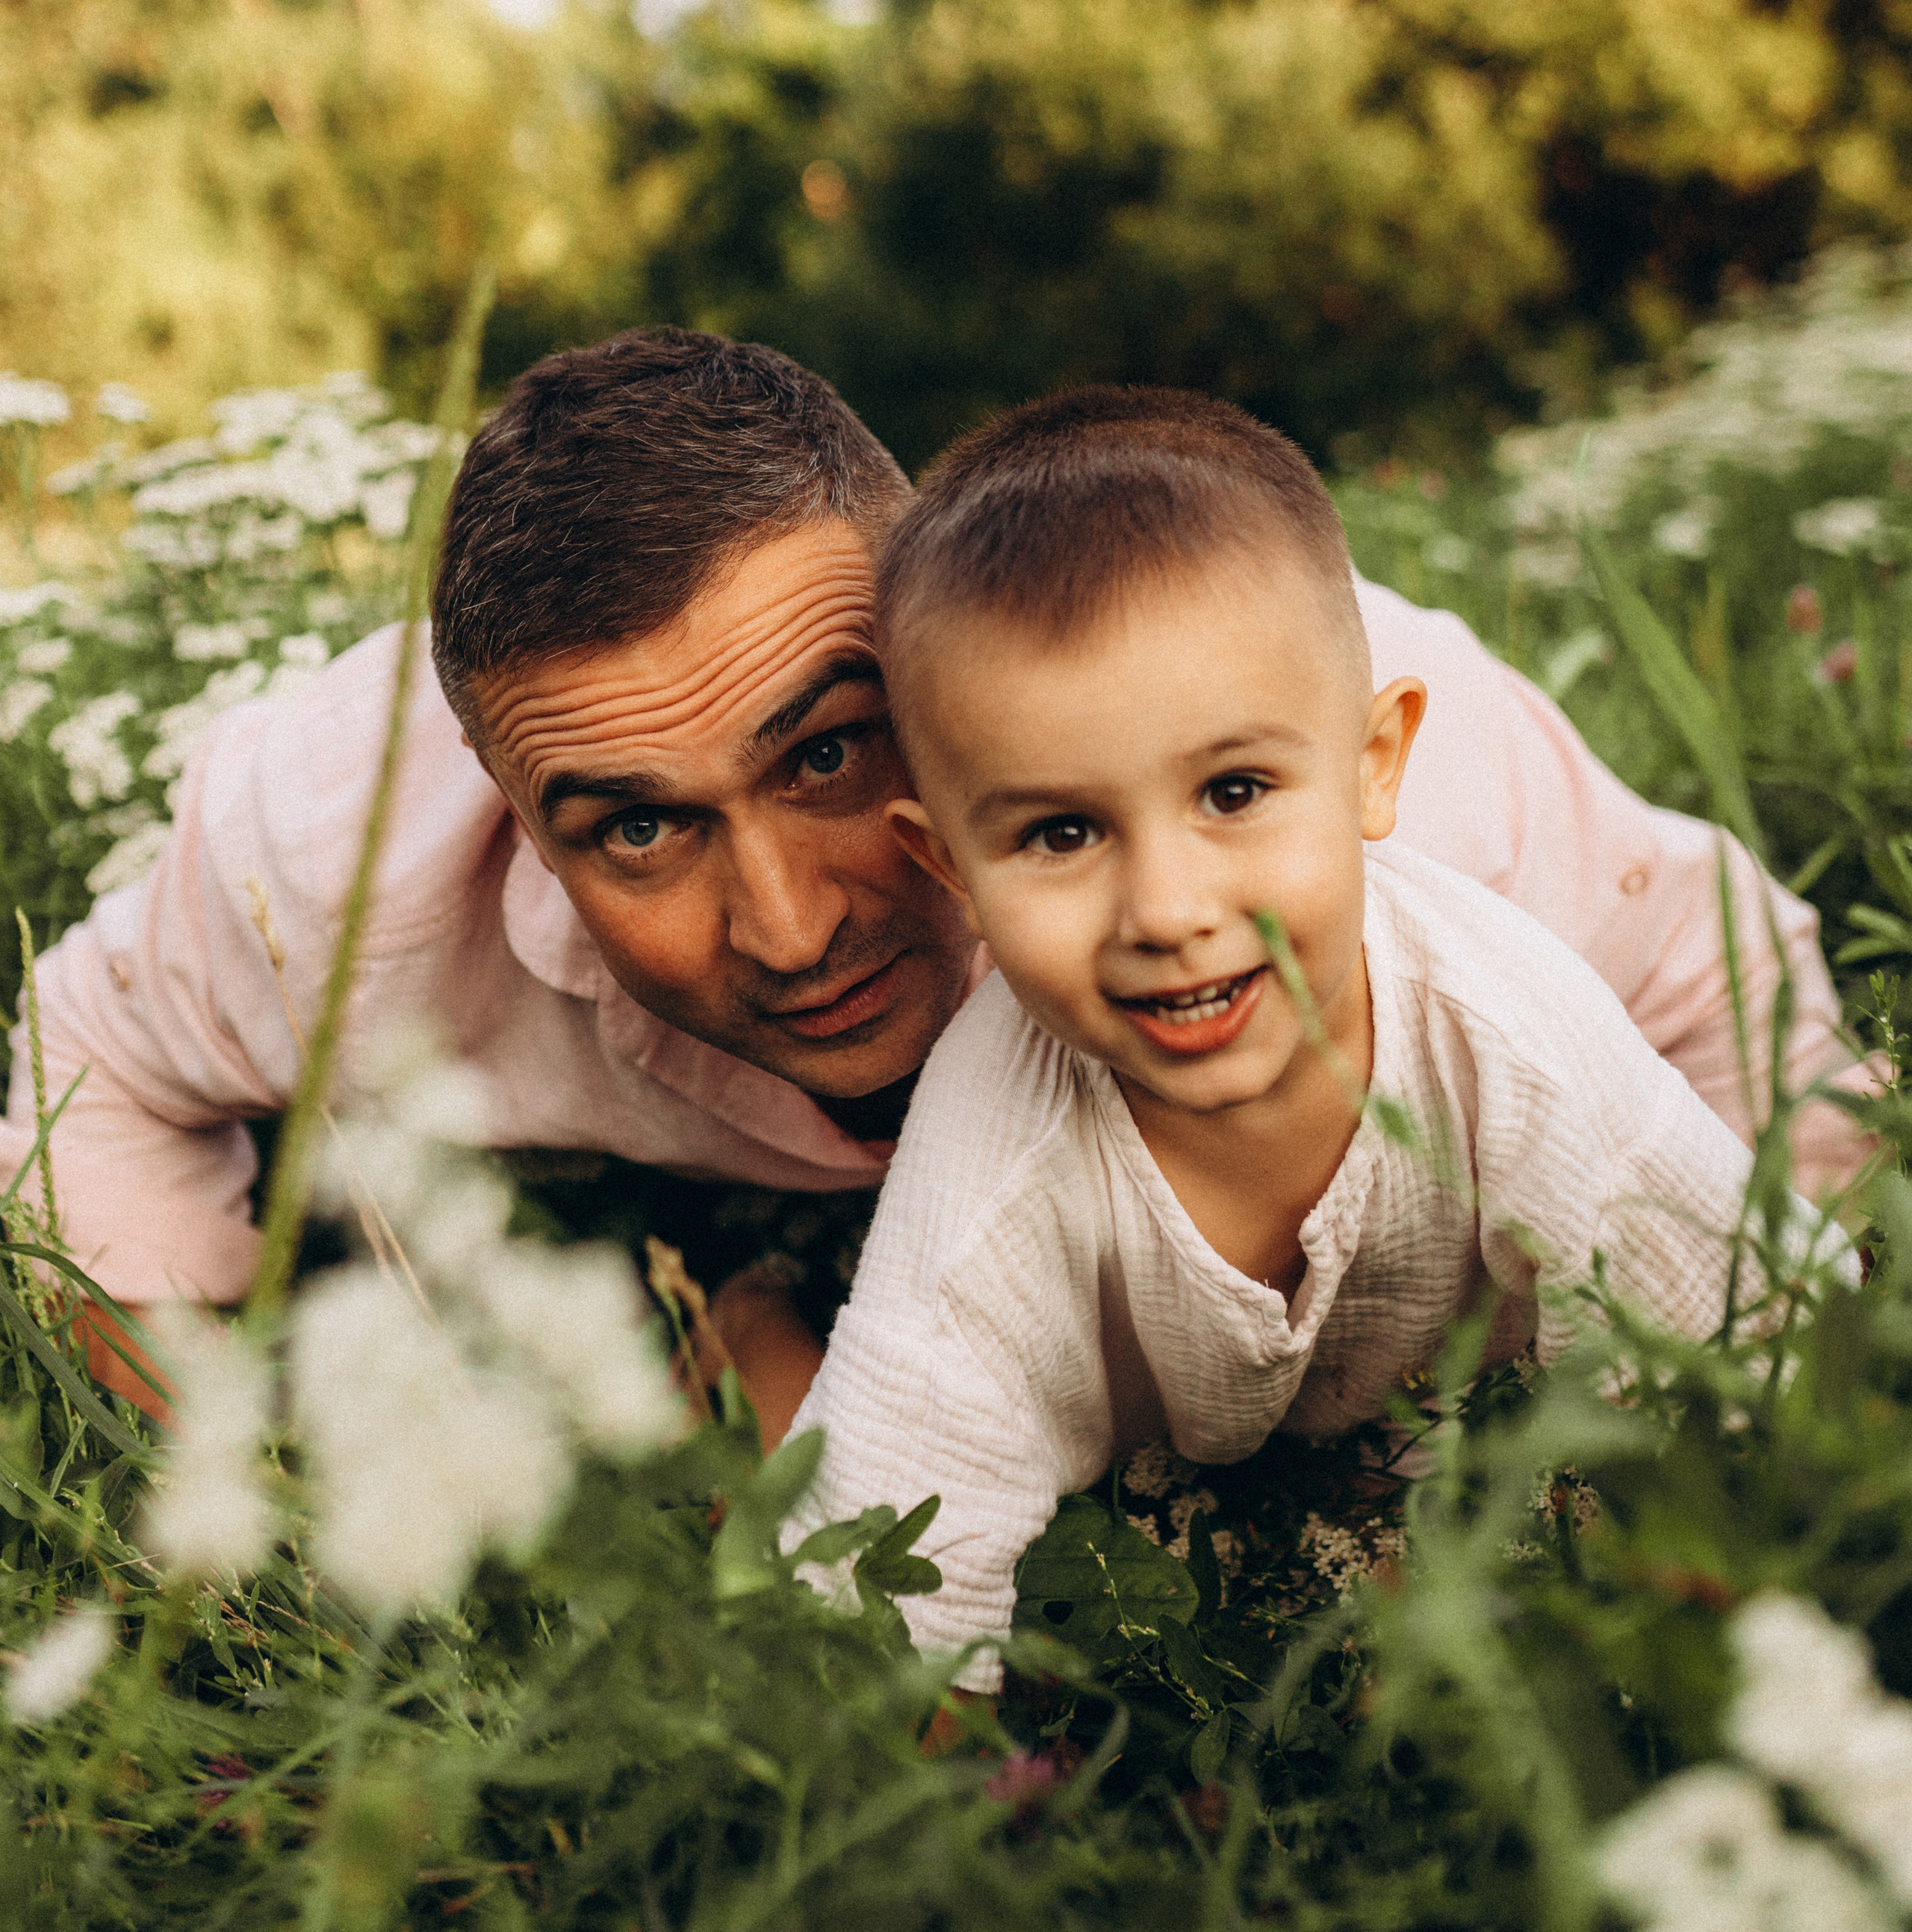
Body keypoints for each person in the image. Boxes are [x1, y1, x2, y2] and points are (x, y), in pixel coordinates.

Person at [0, 331, 1866, 1429]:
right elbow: (79, 1070)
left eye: (829, 750)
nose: (793, 928)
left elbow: (1724, 982)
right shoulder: (324, 872)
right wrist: (230, 1471)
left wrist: (1770, 1395)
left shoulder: (1300, 782)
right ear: (502, 802)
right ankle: (747, 1292)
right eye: (635, 828)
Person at [784, 390, 1837, 1659]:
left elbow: (1756, 1343)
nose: (1170, 911)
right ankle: (752, 1305)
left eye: (1235, 791)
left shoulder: (1502, 1022)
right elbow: (877, 1608)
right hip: (1163, 1442)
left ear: (1373, 764)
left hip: (1485, 1345)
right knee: (840, 1391)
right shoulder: (991, 1146)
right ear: (948, 865)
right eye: (1061, 833)